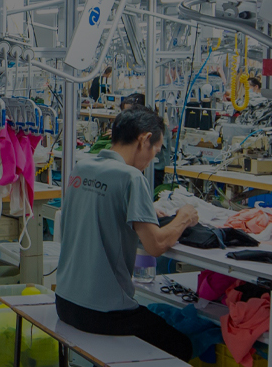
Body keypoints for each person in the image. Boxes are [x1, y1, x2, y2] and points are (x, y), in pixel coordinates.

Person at [58, 108, 200, 360]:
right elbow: (155, 246)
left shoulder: (81, 167)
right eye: (154, 153)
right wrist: (184, 218)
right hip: (104, 313)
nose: (151, 161)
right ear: (144, 140)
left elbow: (104, 208)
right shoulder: (131, 177)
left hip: (65, 303)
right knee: (182, 346)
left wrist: (144, 211)